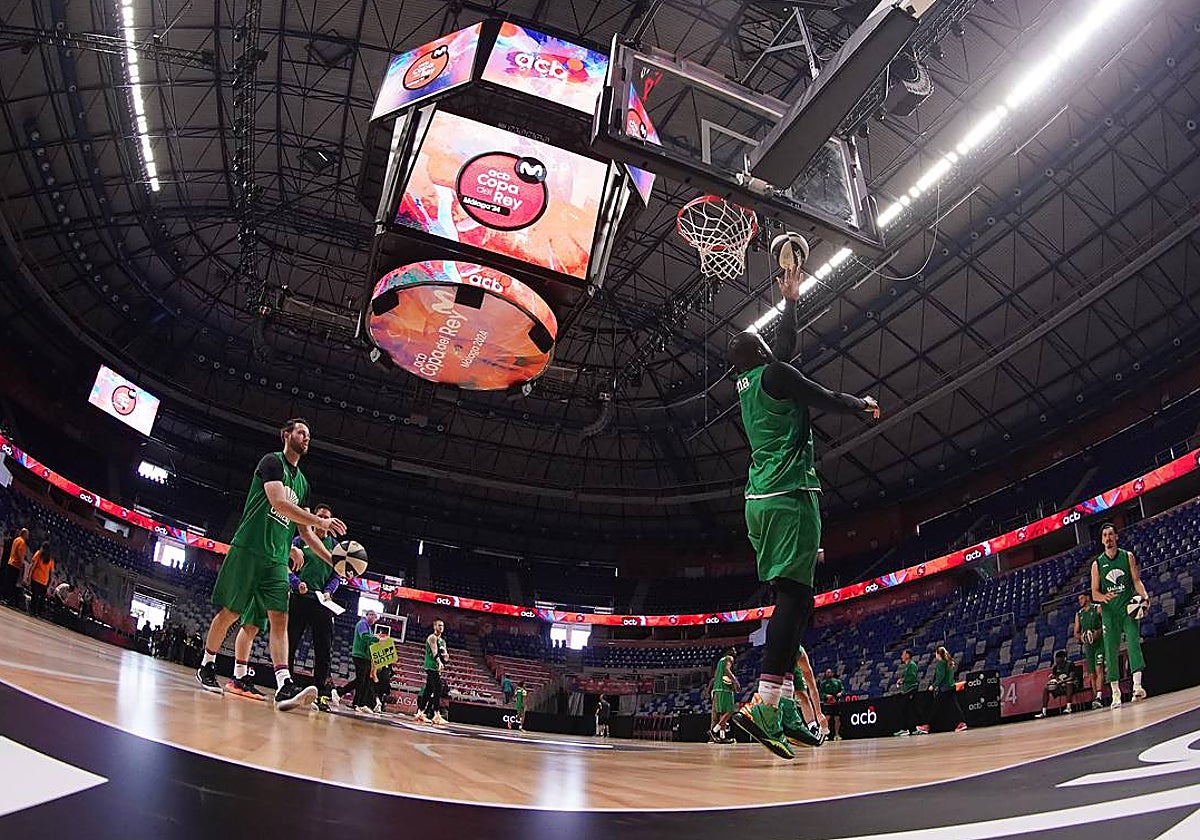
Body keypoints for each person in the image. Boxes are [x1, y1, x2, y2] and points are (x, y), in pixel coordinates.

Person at [730, 263, 880, 760]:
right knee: (794, 599)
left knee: (798, 601)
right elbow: (818, 394)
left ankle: (787, 702)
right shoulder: (776, 373)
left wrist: (792, 300)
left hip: (760, 502)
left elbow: (785, 352)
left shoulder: (751, 384)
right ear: (762, 353)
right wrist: (859, 404)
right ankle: (766, 702)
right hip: (790, 494)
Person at [195, 418, 347, 711]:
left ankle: (283, 683)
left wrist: (335, 561)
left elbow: (304, 532)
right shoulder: (271, 463)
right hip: (250, 549)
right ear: (286, 435)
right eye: (301, 432)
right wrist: (320, 520)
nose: (306, 437)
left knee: (280, 619)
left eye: (309, 434)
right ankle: (208, 665)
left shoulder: (303, 483)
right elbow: (278, 502)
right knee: (231, 613)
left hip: (277, 559)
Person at [227, 503, 343, 708]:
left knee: (323, 650)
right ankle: (284, 687)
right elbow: (285, 566)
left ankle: (320, 695)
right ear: (314, 518)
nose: (323, 520)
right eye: (319, 516)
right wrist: (297, 584)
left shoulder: (336, 548)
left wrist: (329, 590)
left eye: (326, 516)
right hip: (299, 598)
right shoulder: (299, 540)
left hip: (322, 602)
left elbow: (337, 575)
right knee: (289, 642)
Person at [1091, 522, 1150, 708]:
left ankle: (1137, 687)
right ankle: (1115, 693)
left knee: (1133, 643)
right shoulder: (1097, 564)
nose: (1108, 538)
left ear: (1116, 537)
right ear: (1102, 540)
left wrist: (1145, 596)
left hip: (1127, 608)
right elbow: (1094, 593)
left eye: (1111, 534)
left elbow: (1136, 580)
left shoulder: (1127, 556)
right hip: (1109, 613)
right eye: (1105, 535)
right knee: (1110, 651)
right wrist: (1102, 596)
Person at [779, 645, 825, 747]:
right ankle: (776, 726)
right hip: (775, 667)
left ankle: (812, 727)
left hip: (791, 669)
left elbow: (812, 687)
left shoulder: (799, 652)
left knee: (802, 695)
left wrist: (819, 713)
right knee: (776, 693)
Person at [917, 646, 967, 734]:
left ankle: (926, 726)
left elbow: (940, 676)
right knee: (954, 706)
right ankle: (962, 723)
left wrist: (934, 685)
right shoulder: (949, 662)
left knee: (934, 707)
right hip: (951, 687)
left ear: (938, 654)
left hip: (944, 688)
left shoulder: (941, 663)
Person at [1074, 592, 1106, 709]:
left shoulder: (1097, 608)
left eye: (1082, 598)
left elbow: (1106, 623)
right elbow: (1076, 633)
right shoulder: (1079, 614)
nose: (1080, 601)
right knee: (1092, 674)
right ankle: (1096, 699)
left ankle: (1099, 696)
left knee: (1099, 668)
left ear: (1088, 597)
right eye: (1079, 599)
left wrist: (1098, 632)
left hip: (1099, 643)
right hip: (1088, 646)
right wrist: (1081, 637)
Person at [415, 619, 449, 724]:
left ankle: (420, 713)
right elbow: (434, 652)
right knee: (438, 688)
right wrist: (439, 662)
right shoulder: (432, 637)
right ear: (434, 627)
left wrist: (445, 656)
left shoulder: (443, 641)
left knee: (428, 690)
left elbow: (446, 658)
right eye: (439, 625)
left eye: (442, 626)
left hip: (437, 667)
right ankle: (436, 714)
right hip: (430, 666)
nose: (441, 627)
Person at [709, 647, 740, 744]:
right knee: (730, 710)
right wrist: (735, 682)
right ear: (728, 652)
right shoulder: (729, 658)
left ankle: (722, 737)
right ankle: (714, 731)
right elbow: (727, 670)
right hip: (724, 690)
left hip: (718, 690)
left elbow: (714, 678)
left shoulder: (720, 662)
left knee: (723, 714)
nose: (735, 651)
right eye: (733, 650)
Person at [351, 609, 379, 713]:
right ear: (369, 615)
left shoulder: (369, 627)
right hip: (360, 655)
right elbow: (364, 637)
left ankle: (361, 703)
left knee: (365, 681)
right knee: (361, 680)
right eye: (374, 617)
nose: (375, 620)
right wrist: (377, 639)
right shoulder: (363, 624)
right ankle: (355, 702)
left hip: (365, 656)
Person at [1035, 650, 1077, 718]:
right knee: (1046, 687)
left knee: (1069, 683)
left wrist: (1062, 682)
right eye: (1056, 658)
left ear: (1063, 658)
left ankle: (1068, 707)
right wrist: (1053, 678)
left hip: (1072, 686)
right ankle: (1044, 712)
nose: (1056, 660)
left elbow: (1072, 677)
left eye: (1058, 658)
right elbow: (1056, 678)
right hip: (1060, 686)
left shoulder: (1070, 664)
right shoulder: (1055, 667)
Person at [894, 649, 920, 737]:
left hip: (911, 690)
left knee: (908, 710)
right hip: (907, 691)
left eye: (903, 654)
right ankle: (907, 729)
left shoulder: (912, 665)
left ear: (908, 655)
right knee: (905, 710)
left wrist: (903, 680)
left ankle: (909, 729)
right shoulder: (907, 666)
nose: (901, 656)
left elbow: (912, 678)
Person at [3, 527, 29, 607]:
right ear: (24, 534)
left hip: (10, 562)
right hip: (16, 564)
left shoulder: (16, 539)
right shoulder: (22, 542)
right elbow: (20, 554)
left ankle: (4, 597)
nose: (28, 536)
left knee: (8, 581)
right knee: (12, 583)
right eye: (27, 534)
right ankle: (8, 599)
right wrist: (21, 565)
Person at [818, 667, 846, 740]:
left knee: (837, 718)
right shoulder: (823, 683)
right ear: (825, 674)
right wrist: (826, 696)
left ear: (832, 673)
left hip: (836, 703)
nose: (828, 673)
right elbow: (820, 693)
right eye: (827, 672)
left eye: (830, 672)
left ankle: (837, 735)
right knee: (827, 718)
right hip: (827, 703)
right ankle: (824, 735)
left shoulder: (838, 681)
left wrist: (840, 693)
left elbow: (843, 690)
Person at [27, 543, 54, 618]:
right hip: (44, 581)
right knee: (40, 598)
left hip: (35, 578)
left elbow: (32, 566)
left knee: (34, 596)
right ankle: (37, 613)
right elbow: (51, 573)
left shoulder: (38, 554)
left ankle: (32, 611)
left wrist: (28, 577)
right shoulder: (51, 558)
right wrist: (49, 584)